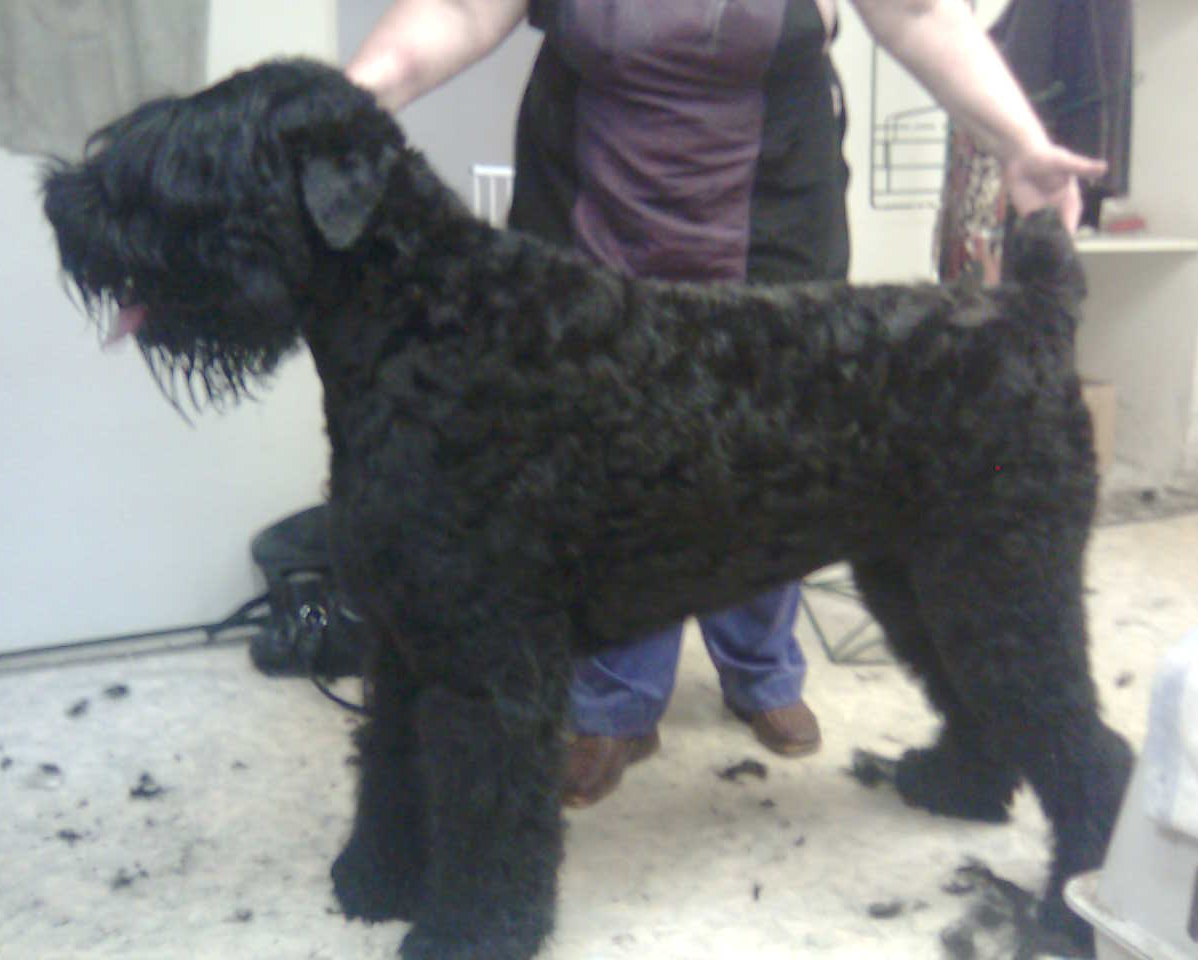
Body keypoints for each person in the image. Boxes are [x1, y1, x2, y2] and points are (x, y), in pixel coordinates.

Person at [346, 0, 1105, 808]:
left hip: (770, 206)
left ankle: (769, 676)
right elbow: (461, 7)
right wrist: (343, 103)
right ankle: (614, 704)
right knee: (608, 501)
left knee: (795, 480)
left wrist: (1021, 142)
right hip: (597, 205)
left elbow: (916, 13)